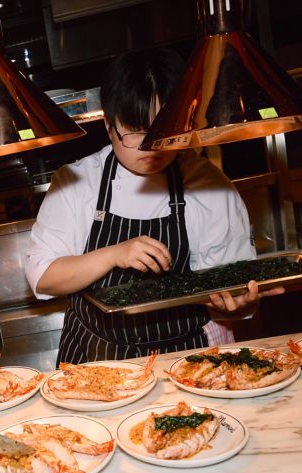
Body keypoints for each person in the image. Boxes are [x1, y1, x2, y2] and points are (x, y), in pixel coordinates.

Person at [24, 48, 282, 364]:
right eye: (134, 131)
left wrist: (238, 305)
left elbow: (228, 294)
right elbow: (43, 278)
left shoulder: (209, 187)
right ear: (108, 125)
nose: (150, 146)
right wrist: (113, 254)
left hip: (186, 358)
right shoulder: (78, 182)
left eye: (163, 131)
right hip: (96, 359)